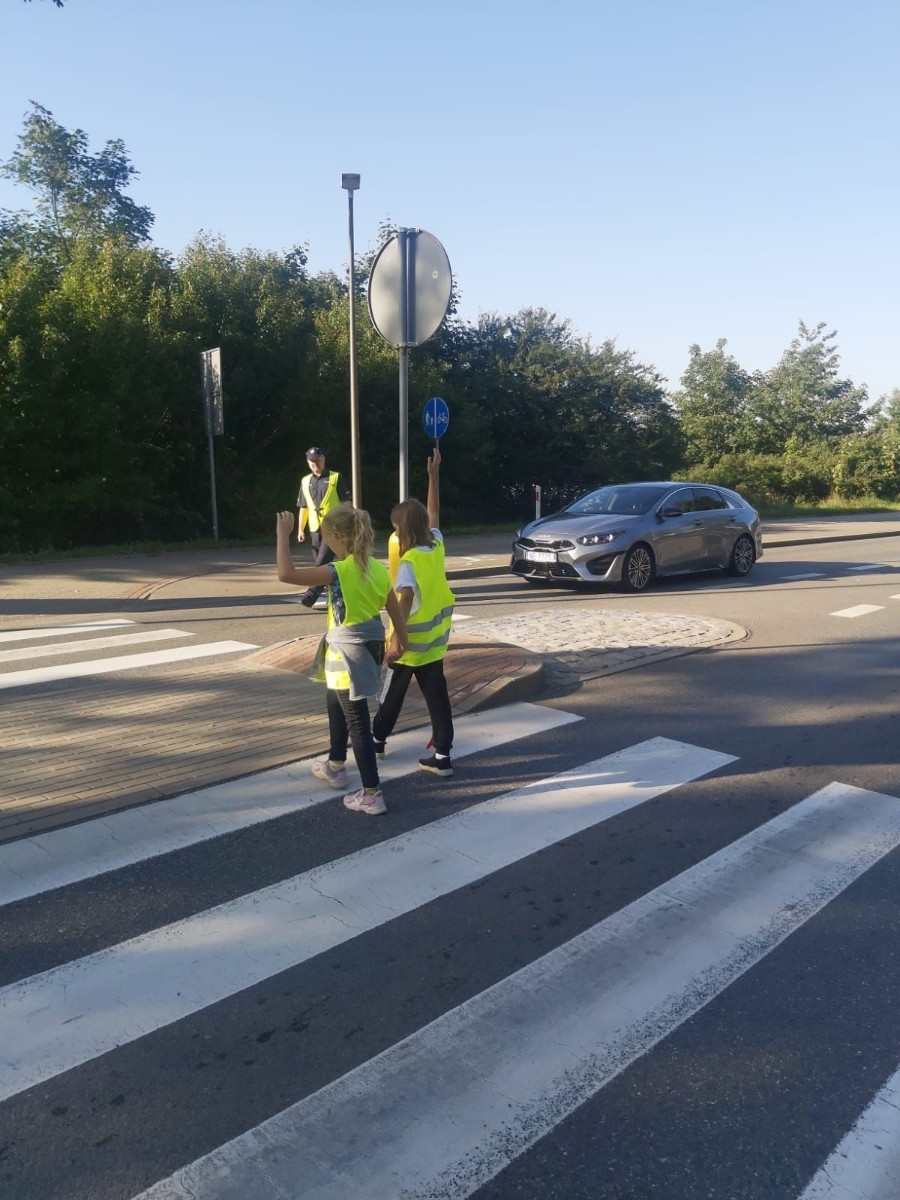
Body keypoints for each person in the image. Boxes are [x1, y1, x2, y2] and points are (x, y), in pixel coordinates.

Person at [276, 504, 407, 815]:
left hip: (346, 652)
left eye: (323, 535)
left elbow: (286, 574)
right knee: (336, 702)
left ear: (335, 536)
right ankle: (335, 764)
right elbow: (393, 608)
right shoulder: (375, 567)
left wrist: (282, 535)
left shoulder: (337, 571)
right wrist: (401, 639)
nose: (322, 540)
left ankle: (372, 794)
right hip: (368, 647)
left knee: (357, 720)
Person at [372, 447, 456, 777]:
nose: (394, 533)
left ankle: (377, 738)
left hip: (411, 641)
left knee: (393, 691)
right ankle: (444, 756)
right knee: (437, 696)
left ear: (403, 530)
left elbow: (403, 604)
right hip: (435, 641)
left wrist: (395, 640)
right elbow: (433, 514)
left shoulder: (408, 563)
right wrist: (433, 477)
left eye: (395, 528)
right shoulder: (435, 544)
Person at [296, 447, 350, 608]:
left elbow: (346, 503)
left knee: (322, 562)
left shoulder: (335, 477)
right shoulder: (305, 481)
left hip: (333, 527)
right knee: (323, 565)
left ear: (324, 459)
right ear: (308, 462)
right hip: (314, 528)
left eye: (317, 460)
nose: (315, 464)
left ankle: (310, 596)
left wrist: (348, 523)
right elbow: (303, 507)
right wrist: (300, 529)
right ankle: (335, 595)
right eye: (312, 461)